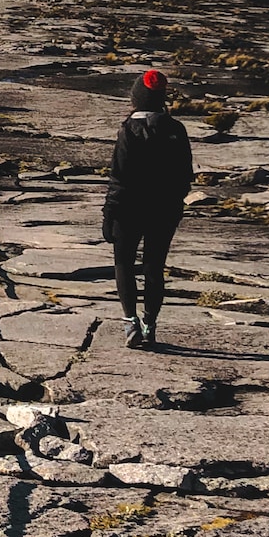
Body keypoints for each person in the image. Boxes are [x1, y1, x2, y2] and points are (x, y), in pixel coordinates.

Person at [101, 68, 193, 351]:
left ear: (136, 98)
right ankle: (149, 324)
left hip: (129, 209)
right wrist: (175, 205)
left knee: (124, 265)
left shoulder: (128, 130)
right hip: (163, 211)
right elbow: (185, 177)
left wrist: (109, 213)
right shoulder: (176, 130)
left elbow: (120, 177)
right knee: (154, 267)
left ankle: (130, 322)